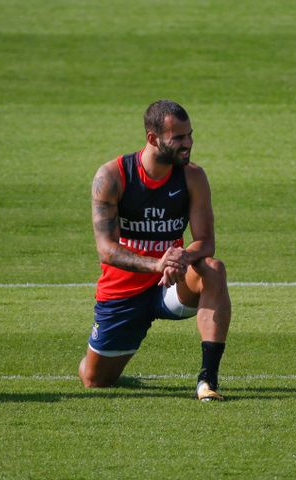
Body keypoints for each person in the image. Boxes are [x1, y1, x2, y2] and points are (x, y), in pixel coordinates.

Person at [79, 100, 232, 401]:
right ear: (152, 138)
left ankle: (207, 380)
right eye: (178, 138)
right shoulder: (111, 176)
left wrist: (182, 257)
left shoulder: (193, 176)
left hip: (172, 285)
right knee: (94, 380)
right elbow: (106, 250)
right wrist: (157, 264)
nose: (187, 144)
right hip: (124, 292)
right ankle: (95, 361)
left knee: (213, 269)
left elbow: (206, 241)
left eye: (190, 135)